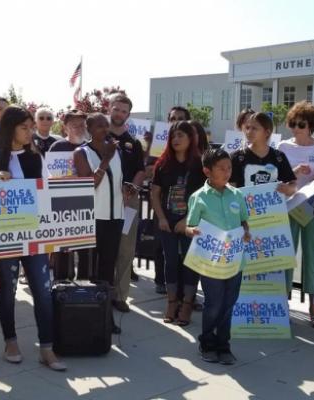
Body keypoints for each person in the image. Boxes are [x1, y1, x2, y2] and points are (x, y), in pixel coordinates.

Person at [0, 105, 66, 371]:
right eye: (24, 127)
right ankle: (10, 342)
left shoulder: (36, 158)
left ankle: (47, 348)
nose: (30, 132)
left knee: (43, 290)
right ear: (10, 128)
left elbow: (46, 194)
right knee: (8, 288)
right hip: (5, 238)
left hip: (35, 236)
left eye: (31, 127)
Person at [185, 148, 251, 365]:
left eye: (229, 167)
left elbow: (243, 221)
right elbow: (190, 225)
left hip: (234, 260)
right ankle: (207, 342)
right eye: (221, 168)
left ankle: (224, 345)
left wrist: (246, 231)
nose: (226, 172)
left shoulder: (237, 195)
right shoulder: (199, 197)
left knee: (229, 303)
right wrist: (192, 231)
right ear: (207, 171)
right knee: (213, 303)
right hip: (211, 262)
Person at [277, 100, 314, 328]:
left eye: (301, 124)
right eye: (293, 124)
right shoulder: (282, 147)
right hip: (289, 207)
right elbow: (277, 178)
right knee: (286, 257)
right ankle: (283, 304)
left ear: (311, 125)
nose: (297, 128)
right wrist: (293, 172)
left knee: (313, 258)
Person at [150, 121, 205, 326]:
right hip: (167, 223)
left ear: (191, 138)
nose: (176, 139)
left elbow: (204, 197)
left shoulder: (200, 165)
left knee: (190, 263)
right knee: (170, 261)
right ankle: (172, 303)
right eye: (173, 136)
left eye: (181, 135)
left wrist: (187, 220)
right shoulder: (163, 164)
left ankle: (187, 304)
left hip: (190, 223)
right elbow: (155, 194)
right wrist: (162, 218)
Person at [73, 113, 124, 333]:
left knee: (107, 268)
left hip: (115, 217)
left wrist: (127, 188)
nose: (105, 129)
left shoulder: (116, 150)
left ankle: (104, 316)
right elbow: (89, 184)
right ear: (89, 128)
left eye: (107, 125)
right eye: (100, 125)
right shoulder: (81, 153)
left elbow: (116, 181)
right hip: (93, 218)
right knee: (88, 269)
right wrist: (105, 159)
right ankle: (84, 315)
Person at [107, 94, 145, 313]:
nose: (119, 113)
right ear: (109, 109)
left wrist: (132, 189)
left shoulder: (134, 142)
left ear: (128, 115)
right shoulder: (98, 137)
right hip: (102, 203)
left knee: (125, 248)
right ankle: (102, 290)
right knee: (102, 247)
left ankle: (120, 295)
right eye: (116, 109)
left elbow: (141, 170)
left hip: (128, 203)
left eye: (123, 111)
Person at [48, 109, 93, 281]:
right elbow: (49, 177)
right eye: (74, 125)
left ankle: (85, 286)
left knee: (86, 250)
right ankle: (62, 285)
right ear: (65, 128)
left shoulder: (90, 147)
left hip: (88, 205)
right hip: (63, 206)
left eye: (82, 124)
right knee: (63, 252)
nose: (79, 128)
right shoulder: (57, 147)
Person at [229, 111, 297, 194]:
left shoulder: (279, 157)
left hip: (273, 206)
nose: (249, 132)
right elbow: (230, 189)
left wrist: (289, 189)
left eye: (254, 128)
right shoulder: (237, 157)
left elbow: (293, 184)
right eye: (247, 128)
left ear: (267, 132)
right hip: (244, 206)